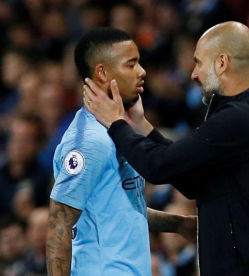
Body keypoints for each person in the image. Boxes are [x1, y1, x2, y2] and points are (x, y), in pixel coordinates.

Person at [83, 22, 249, 275]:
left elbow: (159, 166)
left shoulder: (242, 119)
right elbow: (192, 182)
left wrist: (115, 123)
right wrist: (140, 125)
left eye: (199, 62)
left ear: (222, 63)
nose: (194, 74)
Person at [46, 27, 197, 276]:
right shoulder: (90, 141)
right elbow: (58, 224)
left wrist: (177, 223)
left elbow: (115, 209)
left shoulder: (117, 131)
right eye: (131, 64)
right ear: (102, 73)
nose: (142, 71)